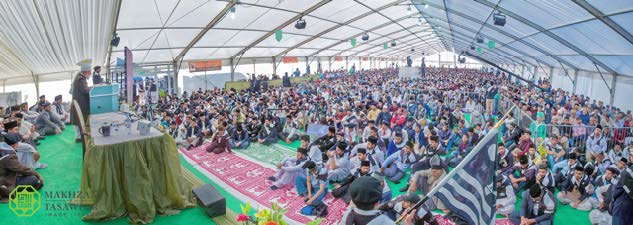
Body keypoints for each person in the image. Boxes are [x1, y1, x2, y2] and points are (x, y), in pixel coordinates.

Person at [0, 133, 44, 202]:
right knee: (33, 179)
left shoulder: (2, 147)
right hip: (4, 183)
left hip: (4, 176)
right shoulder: (9, 157)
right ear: (15, 145)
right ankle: (11, 192)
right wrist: (37, 174)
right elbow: (22, 169)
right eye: (18, 143)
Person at [71, 59, 92, 143]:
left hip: (79, 102)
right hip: (80, 103)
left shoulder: (79, 76)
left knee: (78, 121)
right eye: (90, 72)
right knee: (79, 120)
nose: (90, 73)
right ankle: (80, 137)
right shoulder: (81, 78)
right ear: (86, 71)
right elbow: (85, 90)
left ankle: (79, 137)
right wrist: (93, 88)